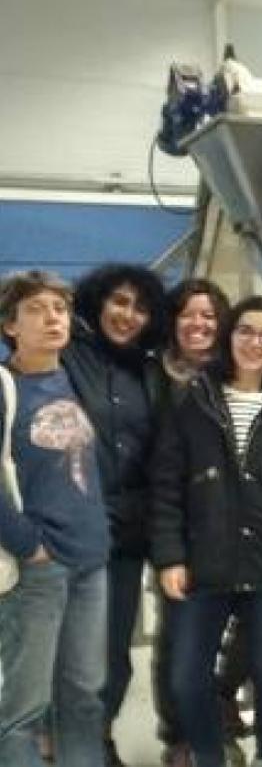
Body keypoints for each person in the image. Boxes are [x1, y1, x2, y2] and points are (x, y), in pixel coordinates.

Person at [150, 295, 262, 767]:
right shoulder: (194, 398)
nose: (255, 343)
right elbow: (166, 483)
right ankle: (208, 755)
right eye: (245, 331)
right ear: (228, 336)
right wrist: (170, 556)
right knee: (187, 677)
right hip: (206, 560)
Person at [0, 270, 111, 767]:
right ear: (9, 325)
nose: (52, 318)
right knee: (25, 709)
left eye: (60, 309)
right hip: (39, 567)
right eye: (36, 309)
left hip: (92, 561)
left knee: (84, 695)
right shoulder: (5, 388)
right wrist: (29, 545)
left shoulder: (78, 377)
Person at [59, 263, 166, 767]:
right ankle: (58, 745)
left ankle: (98, 738)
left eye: (141, 307)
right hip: (71, 534)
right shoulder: (65, 357)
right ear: (98, 302)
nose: (128, 314)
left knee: (115, 656)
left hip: (126, 535)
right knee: (70, 656)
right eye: (120, 302)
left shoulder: (146, 369)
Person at [149, 278, 231, 767]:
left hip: (231, 525)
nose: (198, 324)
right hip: (173, 523)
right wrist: (169, 550)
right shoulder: (155, 375)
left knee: (249, 628)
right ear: (173, 322)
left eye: (209, 316)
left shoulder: (234, 375)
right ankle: (179, 732)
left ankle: (216, 705)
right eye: (188, 315)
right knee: (179, 634)